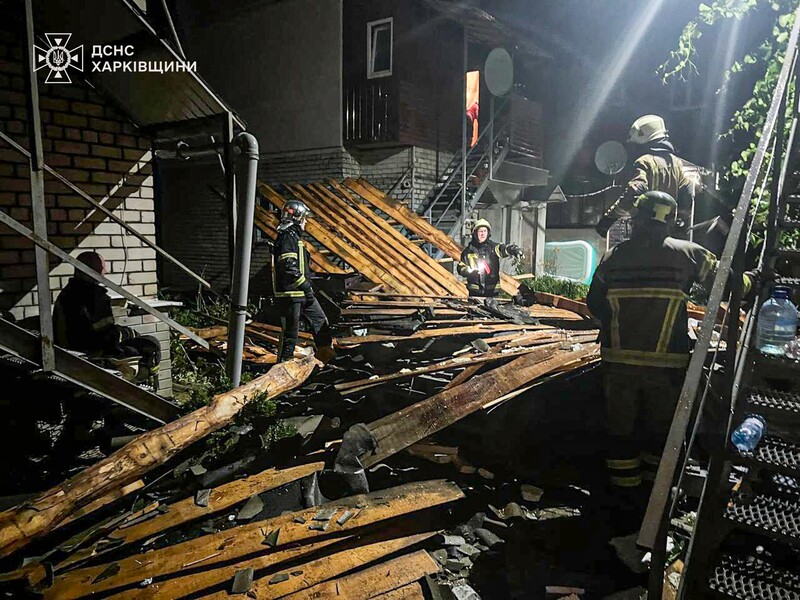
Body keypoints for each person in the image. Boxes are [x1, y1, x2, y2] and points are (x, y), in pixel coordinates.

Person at [587, 191, 757, 493]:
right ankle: (652, 498)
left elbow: (594, 303)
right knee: (660, 432)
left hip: (618, 365)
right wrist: (754, 279)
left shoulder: (614, 256)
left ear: (637, 221)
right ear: (671, 222)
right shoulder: (689, 254)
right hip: (667, 367)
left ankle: (621, 495)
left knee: (620, 432)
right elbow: (731, 285)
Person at [53, 251, 160, 385]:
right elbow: (108, 337)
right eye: (103, 268)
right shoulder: (93, 297)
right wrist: (128, 333)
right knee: (150, 344)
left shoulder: (67, 292)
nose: (106, 272)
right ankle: (143, 387)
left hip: (69, 352)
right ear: (92, 270)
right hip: (93, 355)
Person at [595, 115, 696, 238]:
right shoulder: (676, 163)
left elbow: (635, 190)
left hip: (645, 229)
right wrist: (679, 219)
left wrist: (609, 219)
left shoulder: (644, 161)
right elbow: (687, 192)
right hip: (667, 231)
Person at [272, 200, 335, 363]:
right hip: (290, 294)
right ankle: (283, 369)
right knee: (290, 336)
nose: (306, 222)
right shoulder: (286, 237)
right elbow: (288, 265)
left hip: (302, 292)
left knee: (320, 322)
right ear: (298, 218)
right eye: (304, 218)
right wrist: (305, 284)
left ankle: (326, 360)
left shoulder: (293, 237)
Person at [457, 219, 524, 298]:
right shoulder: (468, 251)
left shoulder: (493, 248)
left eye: (485, 231)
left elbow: (502, 249)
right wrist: (469, 271)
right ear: (474, 233)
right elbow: (460, 267)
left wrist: (513, 250)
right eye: (480, 231)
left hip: (492, 293)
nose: (483, 234)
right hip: (475, 293)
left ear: (488, 233)